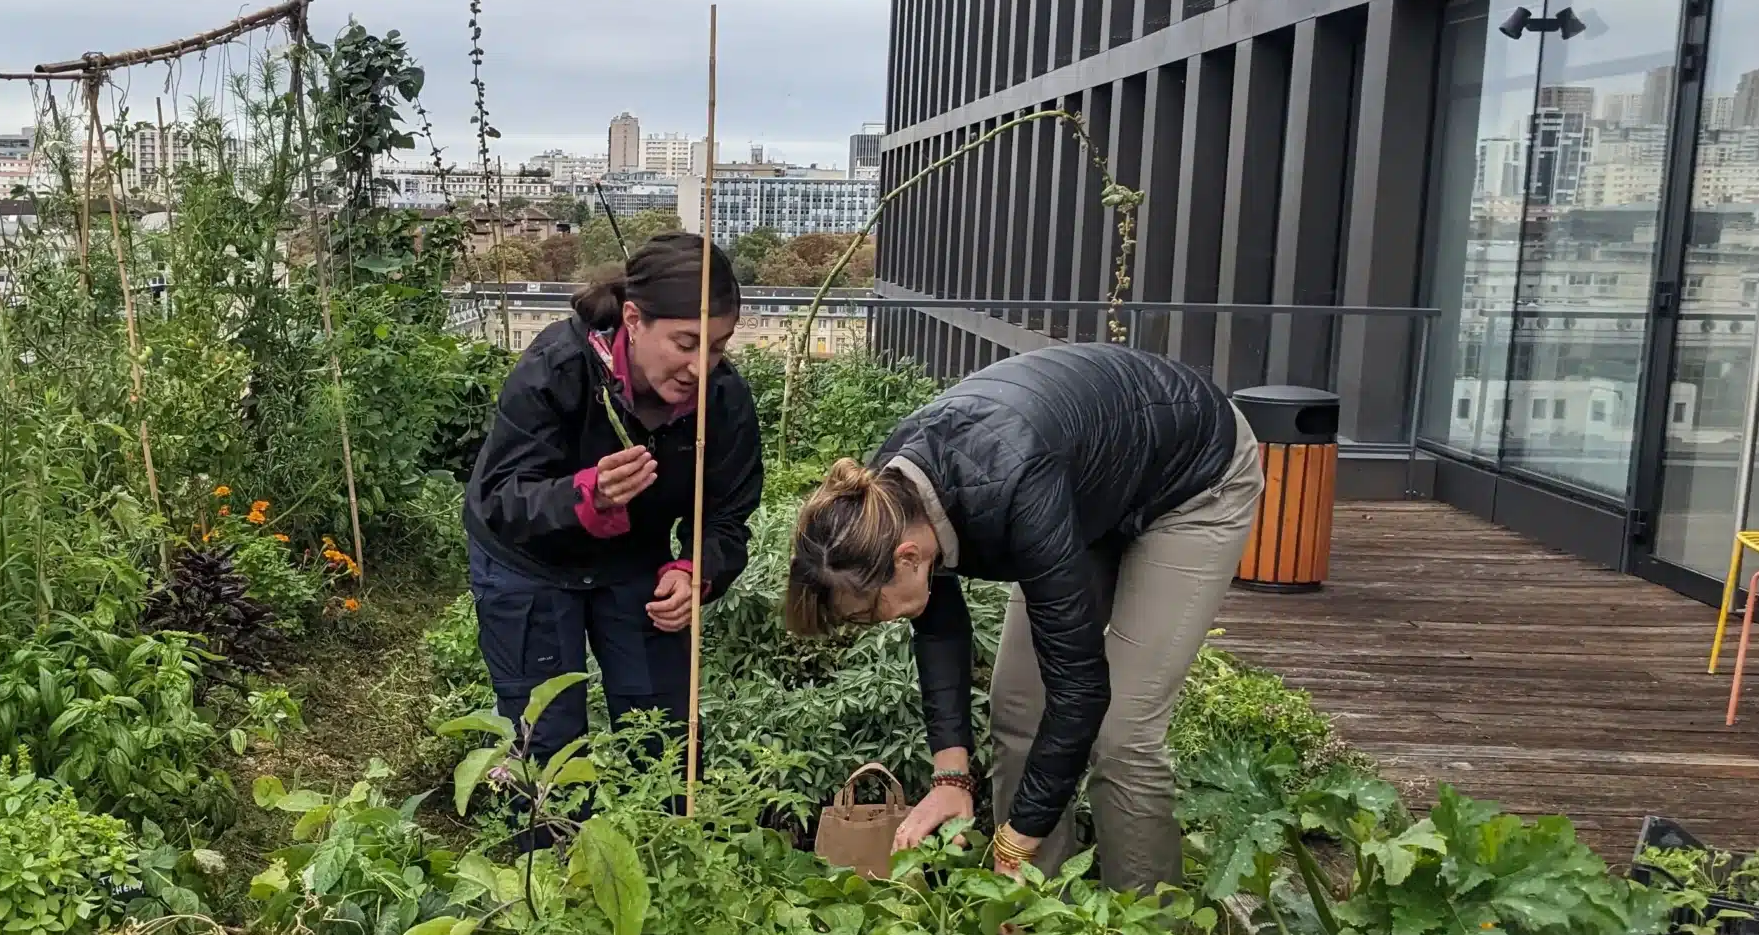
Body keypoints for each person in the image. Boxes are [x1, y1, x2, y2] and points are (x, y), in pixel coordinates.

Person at [782, 343, 1262, 890]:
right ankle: (1037, 920)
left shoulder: (1013, 488)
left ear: (907, 559)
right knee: (1016, 710)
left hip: (1192, 477)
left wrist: (1015, 837)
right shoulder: (884, 503)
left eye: (870, 611)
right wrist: (950, 776)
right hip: (1087, 482)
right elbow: (936, 622)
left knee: (1123, 737)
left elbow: (1080, 688)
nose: (879, 621)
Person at [464, 231, 764, 763]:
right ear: (632, 320)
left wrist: (695, 568)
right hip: (529, 563)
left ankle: (662, 841)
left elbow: (728, 512)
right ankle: (549, 843)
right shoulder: (557, 369)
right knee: (545, 740)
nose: (702, 367)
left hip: (633, 559)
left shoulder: (723, 400)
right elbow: (500, 498)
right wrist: (587, 495)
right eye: (686, 343)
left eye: (717, 347)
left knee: (665, 735)